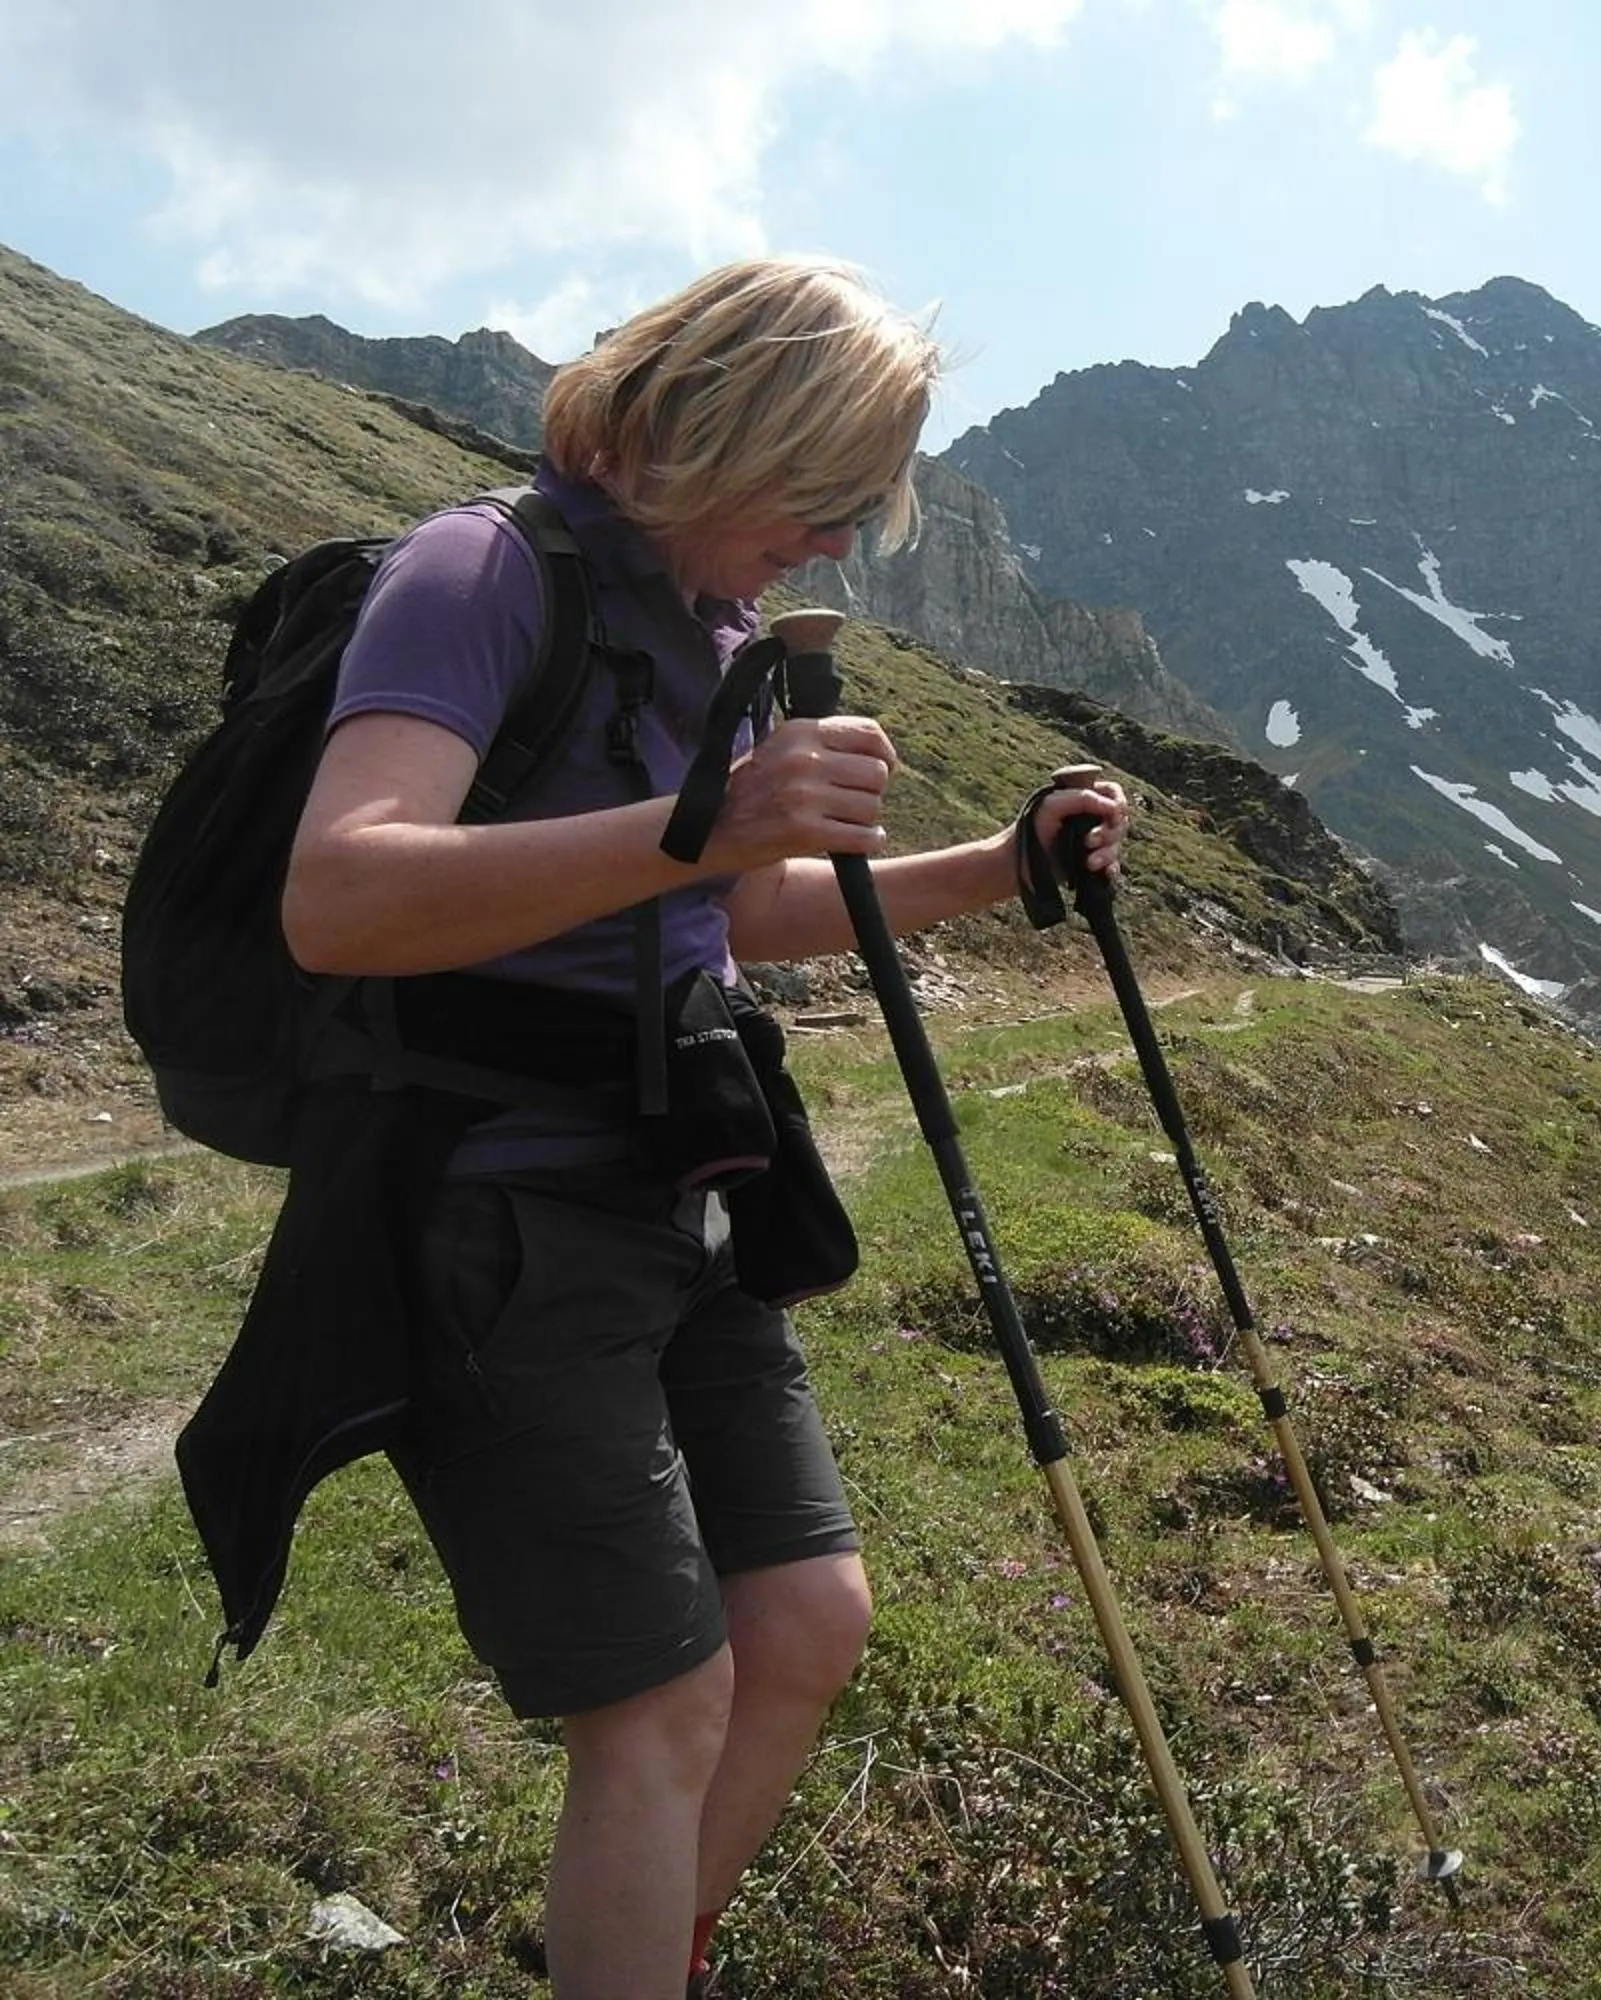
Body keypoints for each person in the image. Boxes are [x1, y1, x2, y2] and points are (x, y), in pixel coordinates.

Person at [278, 255, 1129, 1999]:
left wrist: (996, 869)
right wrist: (699, 828)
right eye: (819, 500)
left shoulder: (713, 633)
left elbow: (718, 917)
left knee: (805, 1627)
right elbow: (341, 899)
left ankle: (629, 1956)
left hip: (690, 1182)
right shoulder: (480, 572)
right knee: (660, 1708)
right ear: (722, 431)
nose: (829, 547)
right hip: (509, 1205)